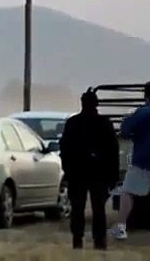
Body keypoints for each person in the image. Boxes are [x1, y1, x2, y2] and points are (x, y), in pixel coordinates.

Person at [60, 89, 120, 249]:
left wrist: (67, 171)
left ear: (82, 104)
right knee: (99, 209)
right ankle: (99, 242)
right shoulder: (104, 123)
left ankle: (77, 240)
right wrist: (113, 176)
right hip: (99, 173)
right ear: (96, 104)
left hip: (77, 173)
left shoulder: (73, 123)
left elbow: (64, 150)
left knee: (78, 209)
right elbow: (113, 151)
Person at [111, 82, 150, 241]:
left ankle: (121, 227)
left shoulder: (143, 113)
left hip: (143, 160)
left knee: (128, 192)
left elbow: (125, 128)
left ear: (146, 95)